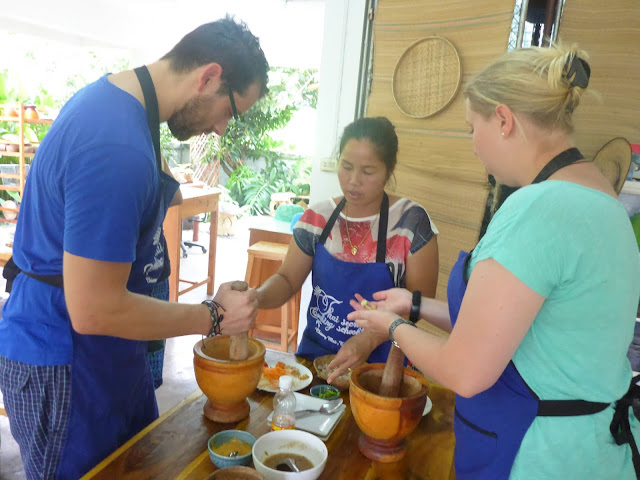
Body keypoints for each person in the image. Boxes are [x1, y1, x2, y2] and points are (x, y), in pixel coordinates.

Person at [348, 44, 640, 479]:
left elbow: (465, 371)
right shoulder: (606, 205)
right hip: (594, 450)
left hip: (537, 456)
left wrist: (391, 329)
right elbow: (515, 335)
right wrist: (412, 306)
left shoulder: (538, 210)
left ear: (503, 120)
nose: (473, 147)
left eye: (471, 128)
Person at [0, 16, 268, 480]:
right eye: (231, 112)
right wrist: (214, 316)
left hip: (109, 352)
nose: (222, 129)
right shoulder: (115, 143)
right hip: (66, 355)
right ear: (208, 77)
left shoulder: (122, 107)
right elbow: (95, 309)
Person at [256, 117, 439, 382]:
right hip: (315, 363)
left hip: (382, 370)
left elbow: (416, 307)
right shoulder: (318, 218)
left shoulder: (410, 223)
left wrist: (367, 340)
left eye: (368, 171)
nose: (353, 181)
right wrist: (256, 298)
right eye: (346, 166)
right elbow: (286, 280)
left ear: (389, 170)